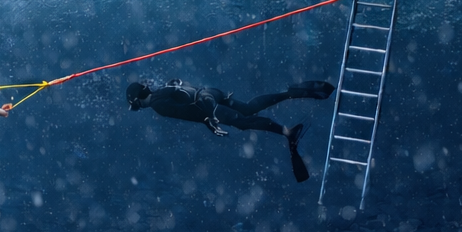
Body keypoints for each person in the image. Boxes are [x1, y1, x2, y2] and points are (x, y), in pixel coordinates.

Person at [126, 78, 335, 182]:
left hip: (206, 105)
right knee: (248, 108)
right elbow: (182, 87)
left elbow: (185, 112)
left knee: (243, 122)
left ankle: (288, 132)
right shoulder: (161, 89)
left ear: (137, 101)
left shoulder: (158, 106)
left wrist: (208, 119)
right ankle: (290, 93)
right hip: (210, 93)